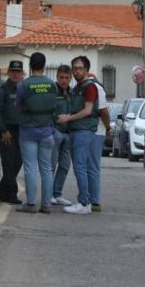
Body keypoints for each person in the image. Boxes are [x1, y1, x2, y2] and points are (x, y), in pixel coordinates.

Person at [56, 56, 101, 215]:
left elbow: (88, 110)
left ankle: (84, 202)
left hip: (83, 131)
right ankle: (85, 200)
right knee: (80, 167)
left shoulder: (89, 87)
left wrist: (68, 118)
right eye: (75, 68)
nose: (77, 71)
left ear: (87, 70)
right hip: (77, 131)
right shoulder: (78, 87)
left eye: (80, 68)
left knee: (80, 168)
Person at [14, 52, 57, 213]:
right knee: (46, 169)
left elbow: (17, 106)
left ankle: (31, 203)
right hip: (47, 131)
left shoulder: (23, 85)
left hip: (28, 131)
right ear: (44, 66)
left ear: (31, 66)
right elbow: (54, 106)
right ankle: (46, 204)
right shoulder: (52, 84)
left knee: (30, 167)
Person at [0, 61, 25, 205]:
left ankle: (2, 191)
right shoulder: (3, 90)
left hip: (21, 130)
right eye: (13, 71)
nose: (16, 74)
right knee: (9, 162)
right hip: (7, 130)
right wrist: (3, 130)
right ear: (9, 73)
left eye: (18, 71)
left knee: (18, 162)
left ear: (22, 73)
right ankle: (11, 193)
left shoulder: (25, 88)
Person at [86, 73, 112, 212]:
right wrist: (108, 128)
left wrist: (107, 127)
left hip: (93, 131)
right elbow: (105, 113)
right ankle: (91, 199)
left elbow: (104, 112)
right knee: (92, 167)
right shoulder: (97, 87)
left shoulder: (92, 88)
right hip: (97, 131)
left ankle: (93, 200)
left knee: (89, 167)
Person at [49, 65, 74, 207]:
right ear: (57, 77)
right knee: (51, 165)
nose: (64, 80)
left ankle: (57, 194)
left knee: (65, 165)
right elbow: (47, 109)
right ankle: (49, 195)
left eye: (67, 78)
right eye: (61, 77)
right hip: (56, 132)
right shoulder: (52, 92)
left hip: (68, 134)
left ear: (70, 78)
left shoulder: (73, 93)